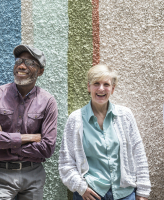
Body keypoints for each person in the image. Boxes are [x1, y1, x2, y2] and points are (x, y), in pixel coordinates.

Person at [59, 64, 151, 200]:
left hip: (124, 194)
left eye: (106, 84)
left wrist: (143, 192)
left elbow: (138, 154)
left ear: (112, 89)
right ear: (88, 87)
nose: (101, 88)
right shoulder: (76, 119)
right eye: (96, 83)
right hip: (90, 194)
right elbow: (66, 162)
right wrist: (81, 187)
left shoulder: (125, 116)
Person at [0, 44, 58, 199]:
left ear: (40, 71)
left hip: (33, 175)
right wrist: (28, 138)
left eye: (30, 63)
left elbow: (47, 148)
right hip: (1, 174)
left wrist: (5, 140)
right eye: (19, 61)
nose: (21, 66)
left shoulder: (48, 101)